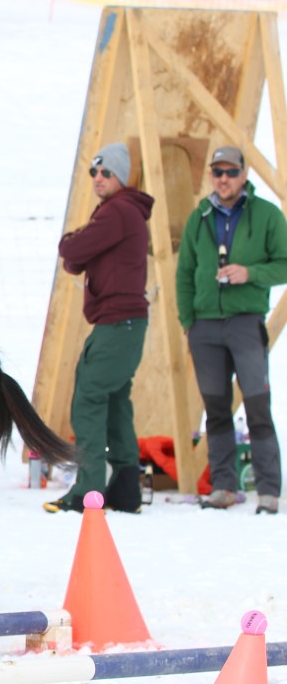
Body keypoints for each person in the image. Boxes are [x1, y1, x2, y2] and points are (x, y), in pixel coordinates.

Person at [176, 145, 287, 514]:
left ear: (244, 175)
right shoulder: (199, 217)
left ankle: (268, 490)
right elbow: (184, 274)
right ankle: (223, 486)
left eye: (231, 172)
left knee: (257, 404)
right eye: (217, 172)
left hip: (245, 322)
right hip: (205, 327)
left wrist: (250, 273)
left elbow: (284, 264)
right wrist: (189, 322)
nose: (223, 179)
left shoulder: (267, 215)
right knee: (216, 409)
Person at [44, 142, 153, 514]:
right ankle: (125, 488)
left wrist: (72, 244)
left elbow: (72, 252)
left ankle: (87, 490)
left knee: (88, 400)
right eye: (94, 172)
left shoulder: (117, 211)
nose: (98, 178)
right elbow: (78, 259)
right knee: (116, 401)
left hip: (117, 323)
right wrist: (79, 251)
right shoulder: (123, 212)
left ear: (121, 176)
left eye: (106, 172)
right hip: (125, 324)